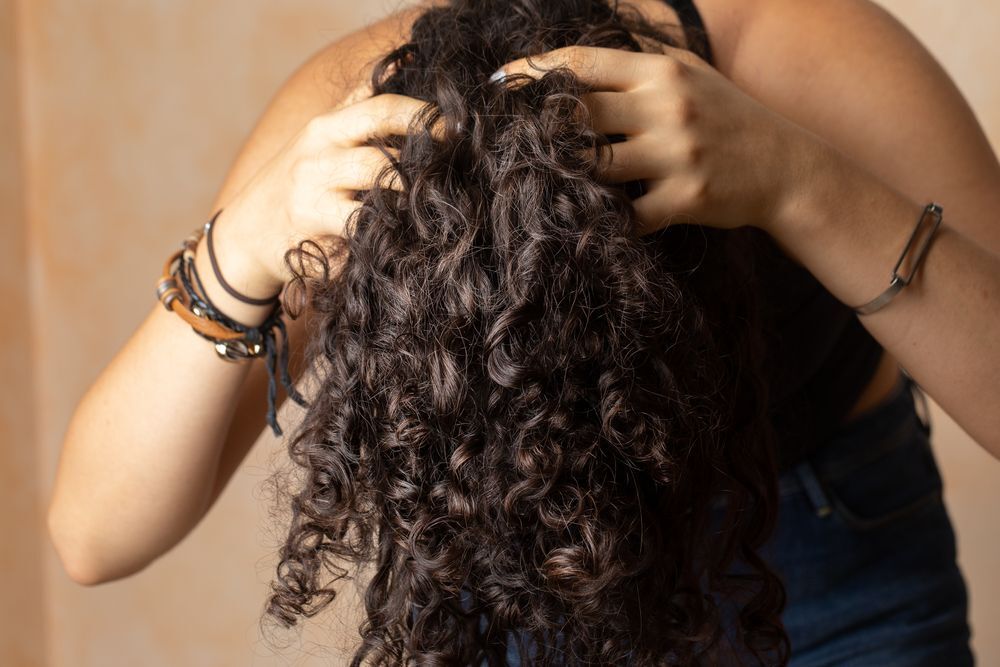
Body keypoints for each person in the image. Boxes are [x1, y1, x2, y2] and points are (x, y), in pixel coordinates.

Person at [47, 0, 1000, 664]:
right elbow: (94, 534)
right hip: (515, 594)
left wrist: (802, 183)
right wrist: (248, 245)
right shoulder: (360, 113)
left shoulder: (805, 49)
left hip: (829, 569)